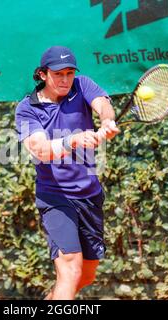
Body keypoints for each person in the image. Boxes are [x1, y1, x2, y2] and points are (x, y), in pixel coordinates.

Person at [15, 46, 120, 300]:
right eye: (58, 74)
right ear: (42, 74)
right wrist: (72, 141)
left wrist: (106, 121)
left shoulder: (82, 86)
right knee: (70, 268)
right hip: (55, 197)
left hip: (89, 195)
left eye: (69, 73)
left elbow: (103, 105)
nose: (65, 80)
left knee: (85, 275)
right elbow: (40, 149)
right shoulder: (27, 108)